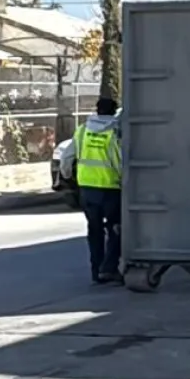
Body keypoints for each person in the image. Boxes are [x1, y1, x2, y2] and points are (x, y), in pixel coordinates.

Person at [59, 97, 123, 284]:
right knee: (116, 229)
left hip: (87, 188)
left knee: (94, 230)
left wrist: (67, 174)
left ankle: (96, 270)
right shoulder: (114, 132)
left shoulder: (83, 130)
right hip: (110, 188)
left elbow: (66, 156)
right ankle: (108, 268)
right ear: (113, 112)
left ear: (97, 110)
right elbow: (118, 160)